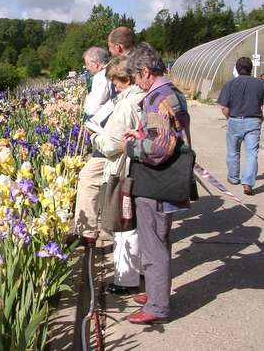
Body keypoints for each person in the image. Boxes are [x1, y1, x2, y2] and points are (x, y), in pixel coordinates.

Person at [119, 43, 190, 324]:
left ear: (145, 71)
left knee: (154, 244)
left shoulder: (155, 98)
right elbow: (169, 135)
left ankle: (158, 306)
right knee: (159, 240)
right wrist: (141, 136)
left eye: (136, 77)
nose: (136, 82)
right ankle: (156, 293)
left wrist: (130, 147)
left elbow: (159, 149)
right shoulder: (174, 93)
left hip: (157, 183)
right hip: (168, 181)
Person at [89, 56, 145, 293]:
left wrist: (94, 136)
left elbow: (112, 143)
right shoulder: (143, 96)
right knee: (136, 222)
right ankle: (140, 270)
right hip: (139, 168)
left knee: (123, 224)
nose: (113, 85)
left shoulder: (126, 104)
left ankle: (125, 279)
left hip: (122, 169)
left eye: (115, 80)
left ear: (124, 78)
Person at [73, 28, 135, 243]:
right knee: (112, 181)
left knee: (90, 177)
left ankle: (89, 231)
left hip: (114, 135)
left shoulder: (124, 70)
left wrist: (95, 126)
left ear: (118, 47)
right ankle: (109, 227)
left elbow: (101, 104)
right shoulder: (136, 62)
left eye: (110, 48)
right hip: (119, 135)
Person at [217, 57, 264, 195]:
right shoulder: (260, 84)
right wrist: (261, 118)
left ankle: (233, 177)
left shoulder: (229, 84)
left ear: (237, 69)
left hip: (235, 120)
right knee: (251, 154)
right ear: (250, 69)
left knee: (233, 151)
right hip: (254, 121)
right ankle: (248, 183)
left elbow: (224, 107)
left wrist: (230, 118)